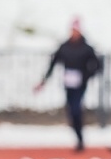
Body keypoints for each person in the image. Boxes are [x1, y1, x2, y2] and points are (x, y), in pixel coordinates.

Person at [36, 18, 102, 151]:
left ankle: (80, 139)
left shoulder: (86, 48)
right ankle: (78, 137)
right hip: (68, 84)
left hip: (80, 84)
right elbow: (53, 64)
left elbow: (98, 65)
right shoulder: (64, 47)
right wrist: (43, 81)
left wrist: (86, 76)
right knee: (71, 111)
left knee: (76, 109)